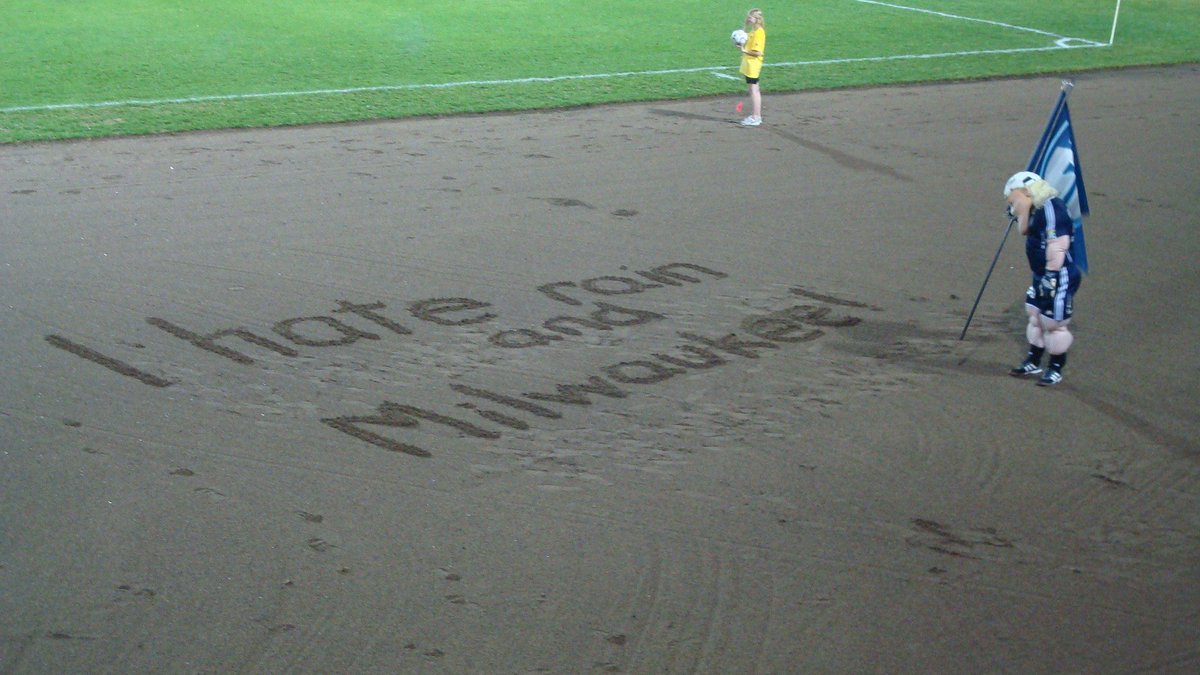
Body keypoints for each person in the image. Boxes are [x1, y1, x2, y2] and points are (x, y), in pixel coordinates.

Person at [1004, 171, 1082, 386]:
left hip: (1059, 275)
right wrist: (1020, 214)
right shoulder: (1037, 208)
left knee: (1054, 323)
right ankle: (1034, 360)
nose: (1012, 205)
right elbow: (1025, 230)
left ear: (1025, 192)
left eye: (1013, 201)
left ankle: (1055, 367)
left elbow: (1058, 245)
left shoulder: (1052, 209)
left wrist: (1051, 276)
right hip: (1041, 274)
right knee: (1035, 316)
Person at [737, 9, 766, 127]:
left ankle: (756, 117)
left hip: (753, 65)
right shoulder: (754, 31)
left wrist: (744, 50)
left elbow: (758, 53)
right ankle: (756, 116)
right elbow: (742, 35)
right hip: (749, 64)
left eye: (750, 17)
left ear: (756, 19)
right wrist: (745, 25)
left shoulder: (759, 33)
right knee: (754, 90)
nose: (748, 19)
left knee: (754, 91)